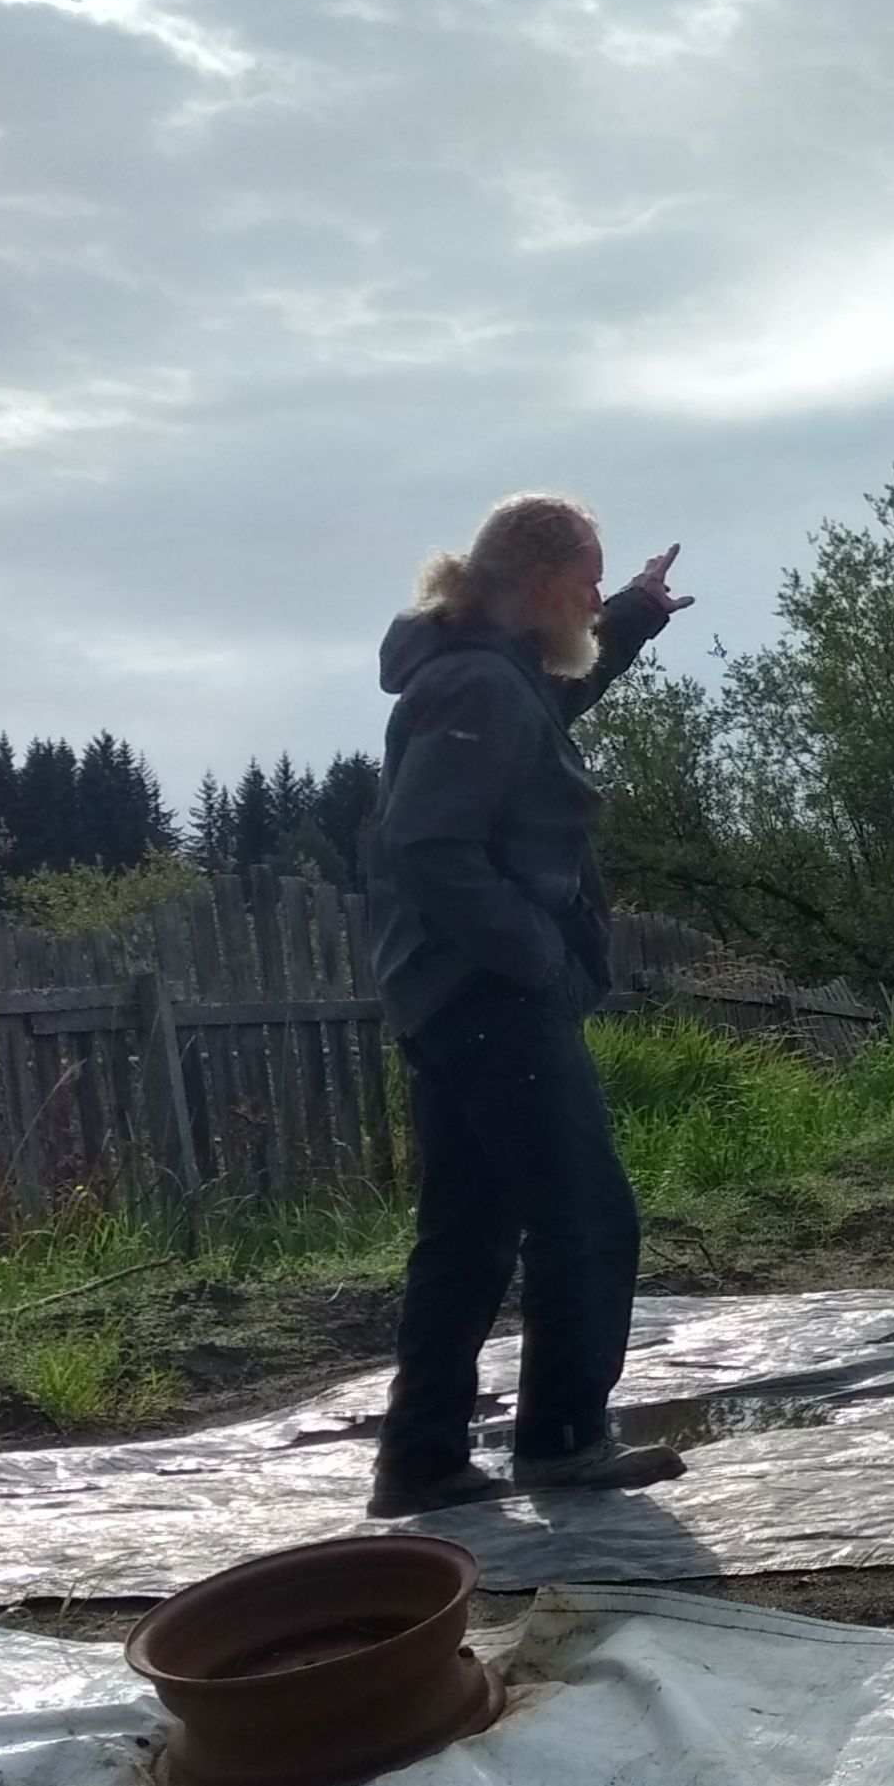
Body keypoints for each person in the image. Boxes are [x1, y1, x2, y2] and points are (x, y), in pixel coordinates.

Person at [358, 491, 693, 1516]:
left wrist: (632, 612)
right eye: (588, 583)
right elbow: (427, 843)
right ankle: (560, 1439)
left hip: (449, 993)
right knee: (586, 1213)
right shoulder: (477, 688)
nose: (592, 600)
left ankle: (419, 1457)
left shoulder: (485, 673)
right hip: (493, 995)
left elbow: (554, 701)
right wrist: (534, 952)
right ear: (544, 582)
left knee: (469, 1225)